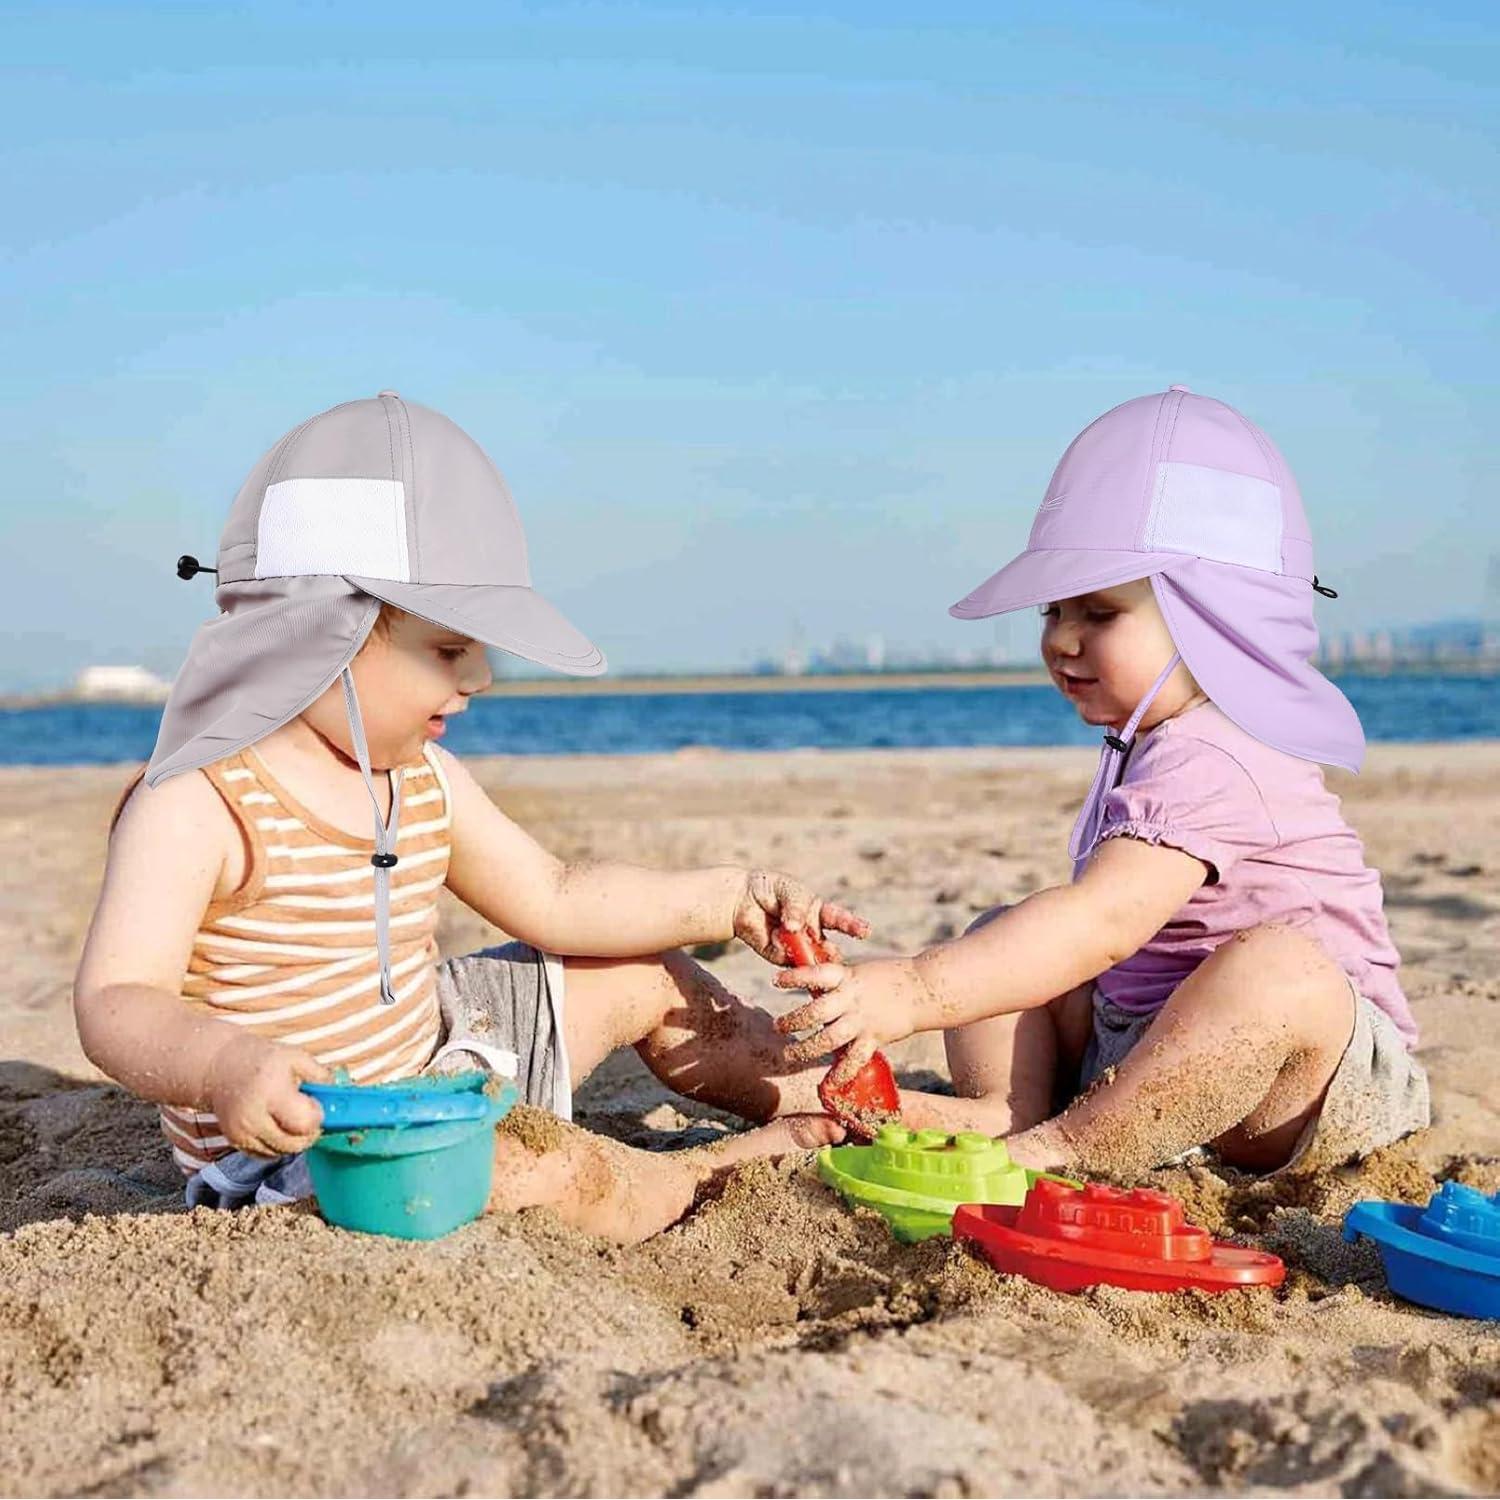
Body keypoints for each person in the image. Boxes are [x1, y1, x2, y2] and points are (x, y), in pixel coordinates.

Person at [73, 391, 859, 1245]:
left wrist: (726, 900)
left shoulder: (422, 774)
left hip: (438, 1062)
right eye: (450, 650)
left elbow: (556, 897)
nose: (480, 675)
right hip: (305, 1146)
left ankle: (813, 1095)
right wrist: (225, 1065)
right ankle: (693, 1177)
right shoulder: (197, 801)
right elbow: (116, 1000)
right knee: (526, 1169)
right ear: (316, 635)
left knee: (644, 974)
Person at [773, 385, 1429, 1179]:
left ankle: (1064, 1145)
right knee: (1003, 930)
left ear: (1217, 617)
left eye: (1100, 612)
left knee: (1276, 968)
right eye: (1053, 612)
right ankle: (1007, 1114)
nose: (1062, 641)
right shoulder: (1150, 738)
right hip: (1157, 1049)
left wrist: (912, 991)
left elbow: (1103, 922)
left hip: (1305, 1083)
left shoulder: (1220, 750)